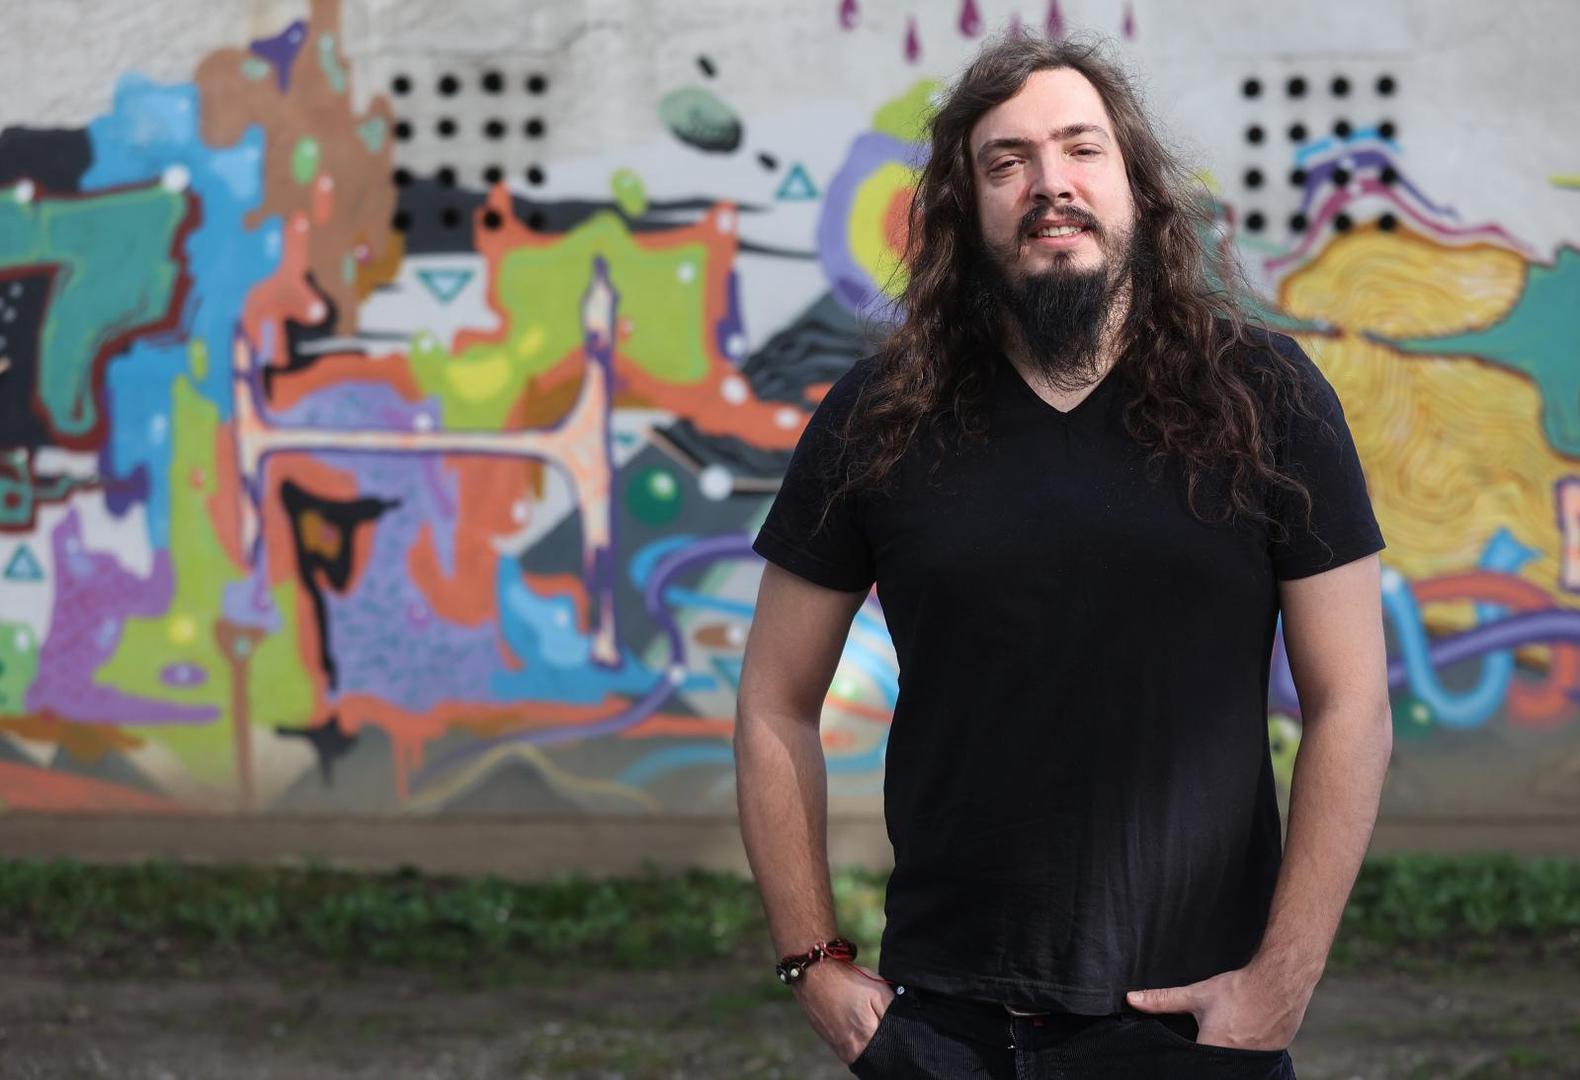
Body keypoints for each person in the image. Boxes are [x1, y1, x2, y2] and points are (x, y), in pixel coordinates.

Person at [733, 32, 1391, 1080]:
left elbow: (1351, 700)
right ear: (964, 207)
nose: (1050, 183)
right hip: (943, 1030)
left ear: (1135, 184)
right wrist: (811, 962)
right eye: (1008, 161)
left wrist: (1282, 978)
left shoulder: (1264, 396)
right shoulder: (880, 414)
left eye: (1082, 149)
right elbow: (773, 701)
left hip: (1193, 1033)